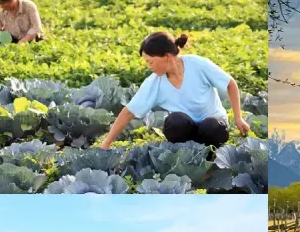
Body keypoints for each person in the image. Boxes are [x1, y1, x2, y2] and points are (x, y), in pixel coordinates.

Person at [100, 32, 250, 149]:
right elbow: (128, 112)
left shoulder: (198, 64)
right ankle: (187, 154)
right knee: (175, 121)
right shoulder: (154, 82)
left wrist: (238, 117)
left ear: (168, 56)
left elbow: (230, 83)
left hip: (212, 127)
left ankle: (212, 157)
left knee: (210, 126)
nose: (149, 66)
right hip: (186, 131)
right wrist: (107, 142)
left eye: (150, 62)